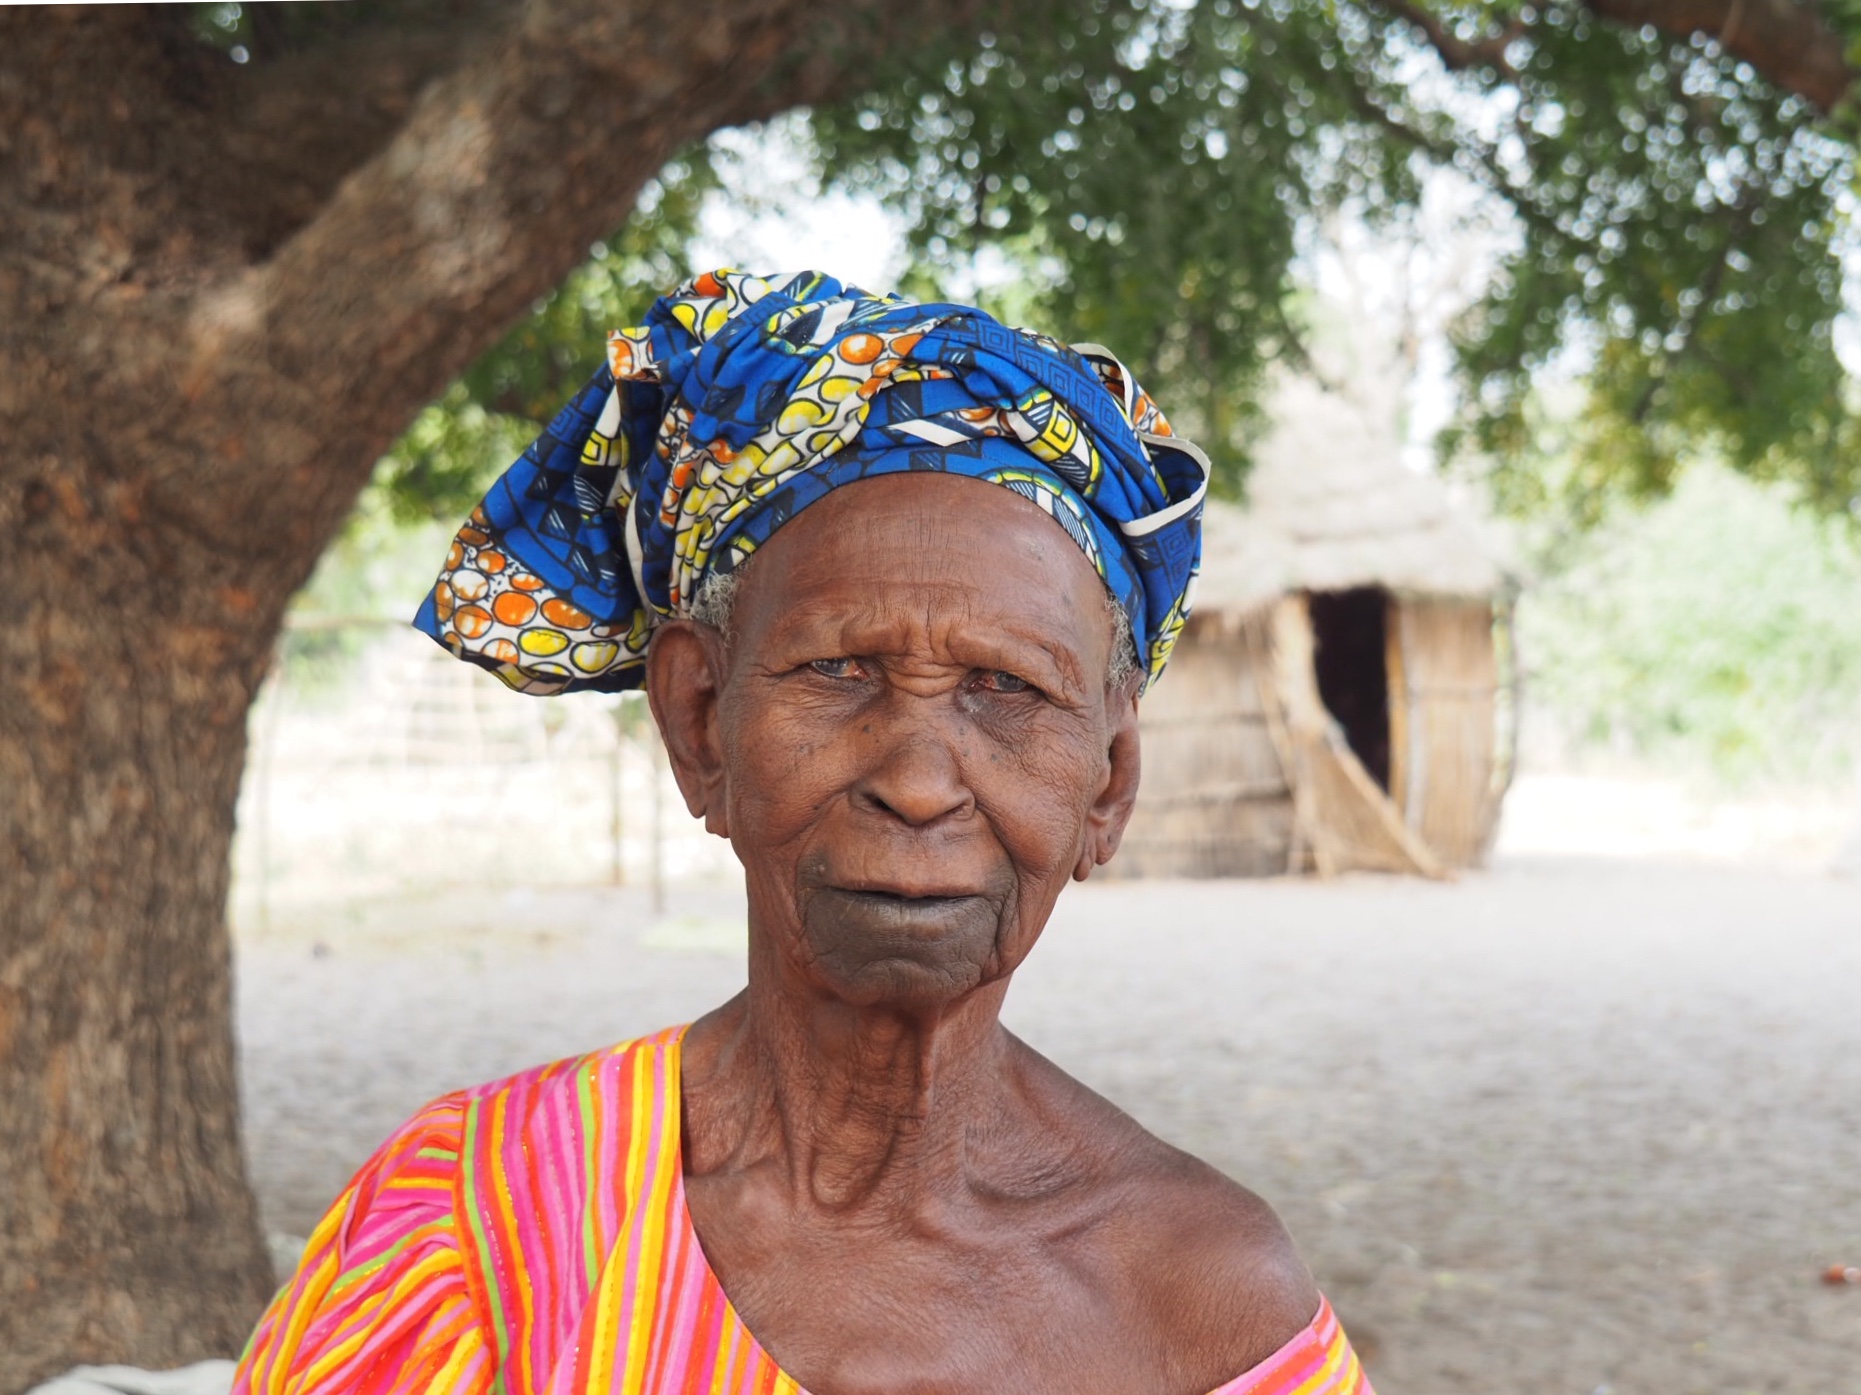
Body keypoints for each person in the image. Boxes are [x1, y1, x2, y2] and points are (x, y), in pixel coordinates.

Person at [233, 270, 1372, 1395]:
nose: (920, 784)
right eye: (836, 671)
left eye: (1005, 688)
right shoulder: (477, 1227)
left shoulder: (1211, 1311)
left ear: (1109, 782)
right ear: (699, 726)